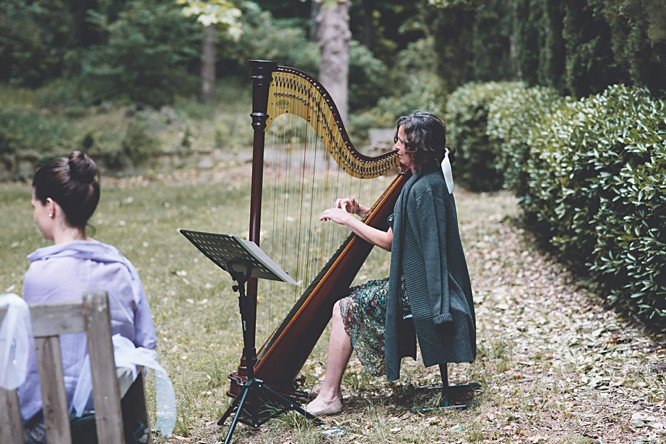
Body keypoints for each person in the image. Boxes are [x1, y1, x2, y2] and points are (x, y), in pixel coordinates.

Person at [306, 111, 476, 416]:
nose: (395, 147)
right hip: (419, 281)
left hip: (425, 290)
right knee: (346, 301)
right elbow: (404, 225)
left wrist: (345, 220)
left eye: (400, 141)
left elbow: (389, 241)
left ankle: (330, 395)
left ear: (417, 147)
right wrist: (361, 211)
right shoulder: (423, 179)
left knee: (345, 306)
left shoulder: (425, 187)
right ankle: (329, 389)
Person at [20, 151, 158, 443]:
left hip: (51, 428)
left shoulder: (38, 276)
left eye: (34, 205)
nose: (34, 215)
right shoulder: (122, 270)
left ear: (50, 207)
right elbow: (145, 345)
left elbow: (30, 368)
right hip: (118, 422)